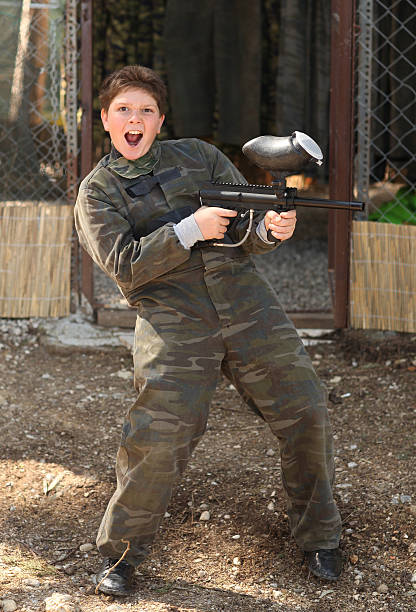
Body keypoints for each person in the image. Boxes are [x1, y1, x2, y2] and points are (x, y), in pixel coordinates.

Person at [74, 65, 342, 596]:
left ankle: (321, 537)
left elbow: (244, 231)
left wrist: (268, 228)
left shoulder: (198, 156)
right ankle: (124, 555)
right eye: (123, 109)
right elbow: (123, 264)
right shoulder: (98, 192)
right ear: (105, 119)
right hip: (173, 318)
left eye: (145, 110)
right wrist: (186, 231)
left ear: (160, 119)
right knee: (158, 438)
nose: (135, 119)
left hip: (246, 302)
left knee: (306, 409)